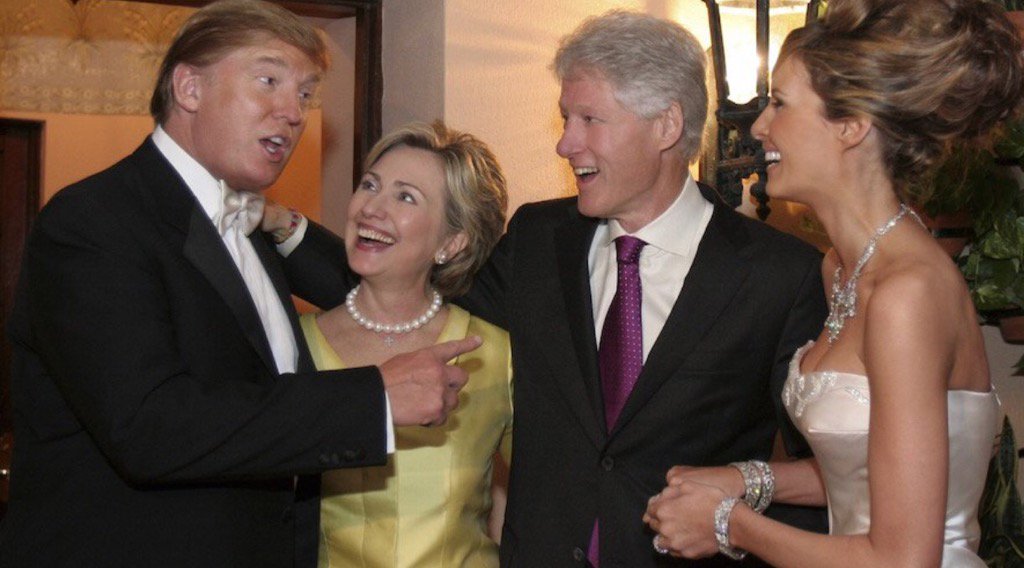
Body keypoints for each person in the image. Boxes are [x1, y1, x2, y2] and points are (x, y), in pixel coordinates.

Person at [279, 10, 828, 566]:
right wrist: (283, 229)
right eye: (566, 119)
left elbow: (831, 477)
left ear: (666, 125)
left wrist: (737, 514)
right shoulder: (538, 238)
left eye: (589, 119)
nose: (565, 144)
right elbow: (410, 293)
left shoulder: (779, 275)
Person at [1, 1, 479, 566]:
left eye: (305, 93)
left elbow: (390, 290)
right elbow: (149, 427)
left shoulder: (252, 232)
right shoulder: (95, 221)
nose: (294, 112)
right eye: (268, 81)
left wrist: (291, 227)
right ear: (189, 88)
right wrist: (372, 399)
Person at [643, 0, 1024, 566]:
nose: (759, 126)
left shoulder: (907, 293)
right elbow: (866, 475)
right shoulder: (841, 269)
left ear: (851, 126)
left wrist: (729, 524)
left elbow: (903, 559)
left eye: (780, 103)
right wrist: (745, 478)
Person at [276, 121, 513, 567]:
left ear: (451, 242)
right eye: (369, 185)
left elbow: (543, 500)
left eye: (405, 197)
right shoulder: (291, 345)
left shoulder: (494, 354)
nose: (371, 208)